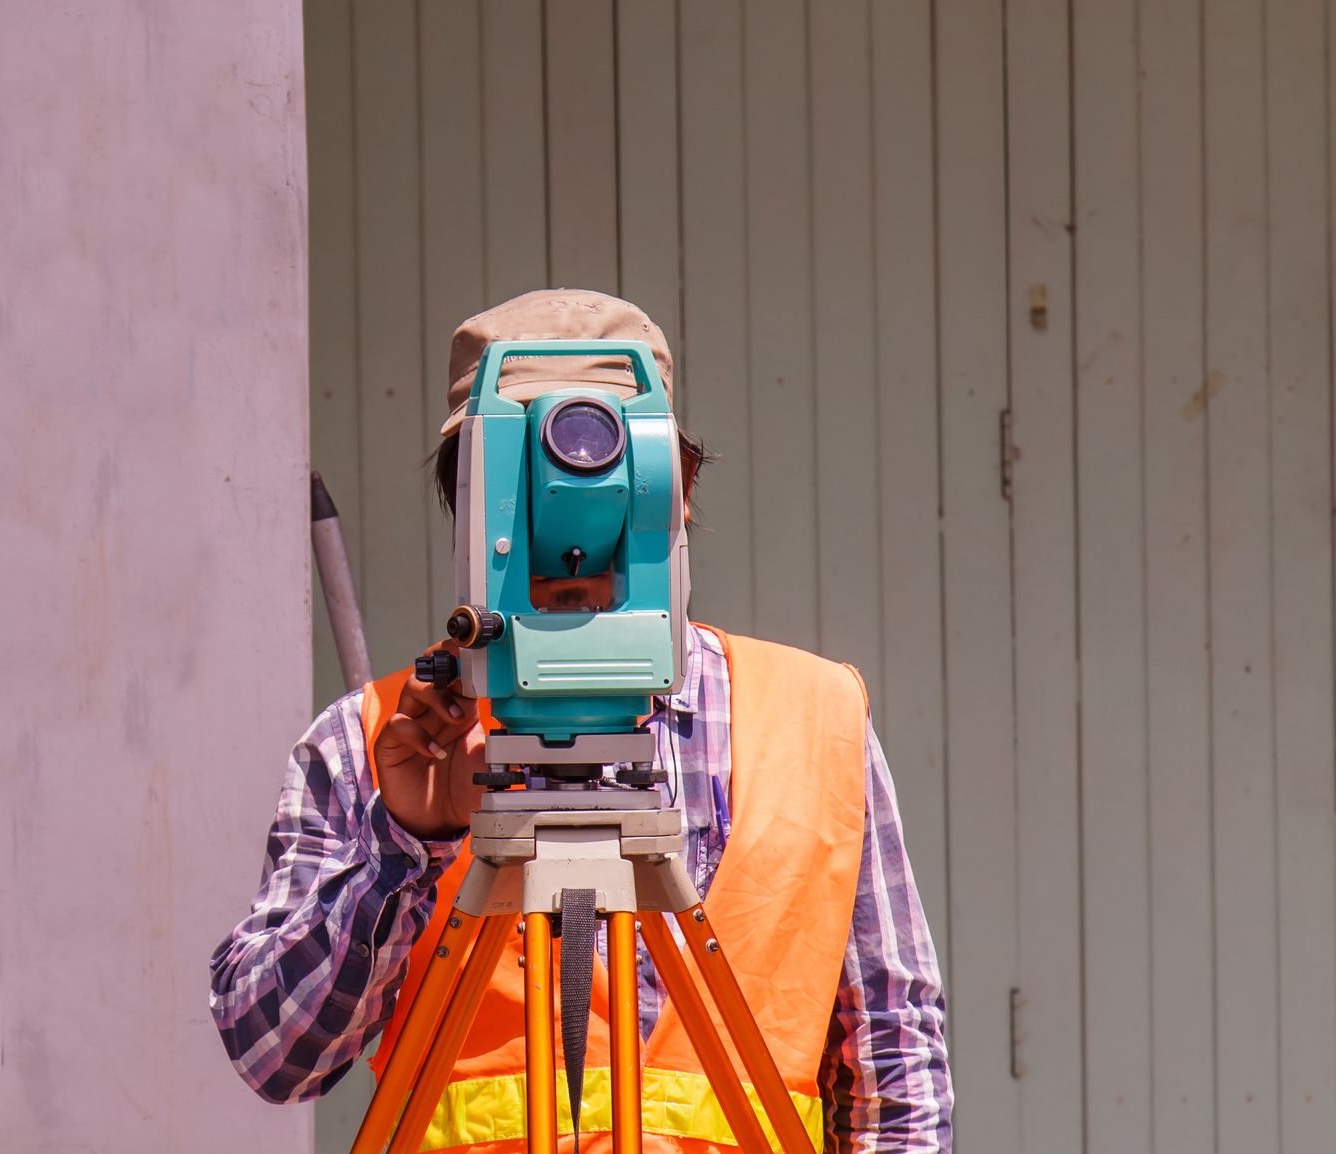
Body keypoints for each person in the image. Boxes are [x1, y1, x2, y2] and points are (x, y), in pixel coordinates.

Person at [209, 289, 953, 1153]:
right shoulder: (383, 744)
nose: (568, 518)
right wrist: (403, 842)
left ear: (674, 486)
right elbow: (271, 1054)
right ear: (467, 496)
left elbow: (897, 1063)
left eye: (603, 474)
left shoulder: (814, 722)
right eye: (522, 477)